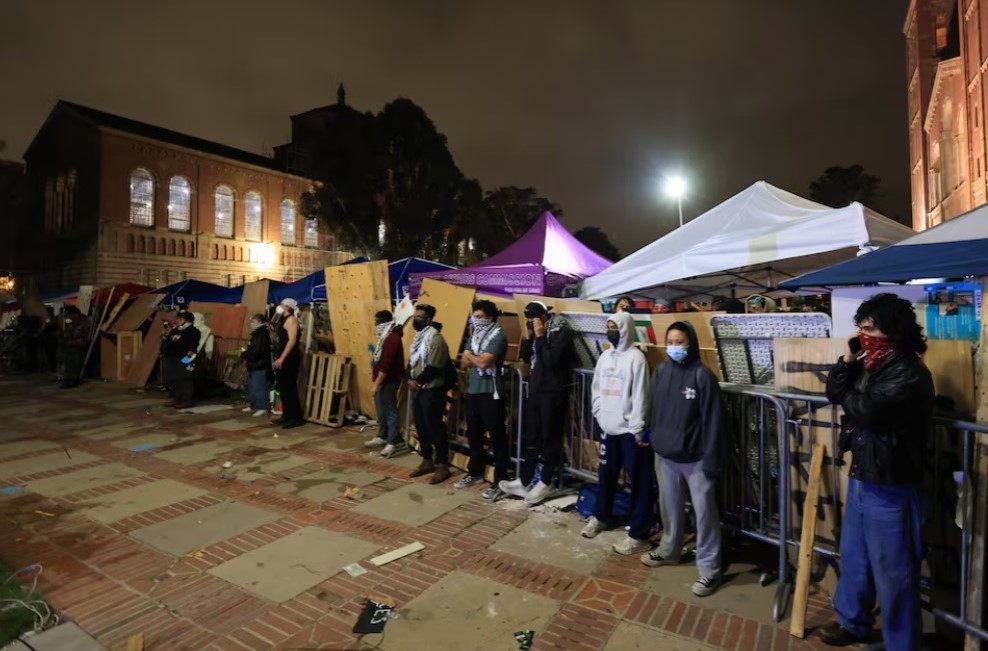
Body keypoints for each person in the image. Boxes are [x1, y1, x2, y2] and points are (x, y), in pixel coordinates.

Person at [819, 293, 934, 650]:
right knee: (855, 557)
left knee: (894, 574)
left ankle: (901, 644)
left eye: (870, 328)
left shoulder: (908, 371)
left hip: (892, 483)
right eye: (861, 328)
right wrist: (848, 362)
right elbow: (833, 392)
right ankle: (852, 621)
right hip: (864, 475)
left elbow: (866, 411)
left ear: (893, 331)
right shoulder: (872, 365)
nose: (863, 335)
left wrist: (847, 393)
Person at [641, 321, 726, 598]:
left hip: (696, 459)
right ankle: (669, 550)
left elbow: (714, 421)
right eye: (672, 342)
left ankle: (710, 569)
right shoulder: (662, 372)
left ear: (690, 343)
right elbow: (653, 407)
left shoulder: (703, 376)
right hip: (665, 455)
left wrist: (713, 459)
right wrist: (649, 433)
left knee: (704, 515)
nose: (675, 347)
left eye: (681, 342)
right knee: (670, 508)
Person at [581, 311, 654, 555]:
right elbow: (597, 388)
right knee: (606, 475)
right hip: (608, 428)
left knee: (639, 481)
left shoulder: (637, 359)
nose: (610, 330)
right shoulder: (604, 356)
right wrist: (599, 414)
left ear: (625, 328)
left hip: (630, 432)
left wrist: (637, 427)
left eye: (614, 326)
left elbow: (641, 395)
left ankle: (638, 532)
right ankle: (601, 516)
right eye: (609, 325)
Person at [499, 301, 575, 505]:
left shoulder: (561, 332)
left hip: (553, 392)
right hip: (536, 390)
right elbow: (526, 358)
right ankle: (524, 481)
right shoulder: (537, 333)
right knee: (531, 437)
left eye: (533, 318)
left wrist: (540, 337)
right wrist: (530, 338)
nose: (532, 323)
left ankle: (546, 481)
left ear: (543, 317)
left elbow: (551, 361)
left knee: (550, 437)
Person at [455, 300, 510, 500]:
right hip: (473, 391)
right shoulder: (474, 337)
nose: (475, 321)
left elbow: (485, 363)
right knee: (474, 433)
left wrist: (472, 356)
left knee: (497, 436)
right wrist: (472, 357)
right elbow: (463, 363)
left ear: (490, 317)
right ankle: (474, 471)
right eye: (474, 317)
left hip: (491, 392)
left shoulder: (498, 336)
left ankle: (500, 480)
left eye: (479, 317)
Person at [407, 304, 452, 484]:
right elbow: (411, 362)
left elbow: (434, 366)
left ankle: (442, 465)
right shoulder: (418, 338)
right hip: (419, 390)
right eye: (414, 316)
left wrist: (416, 381)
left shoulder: (436, 339)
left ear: (428, 319)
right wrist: (409, 378)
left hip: (432, 390)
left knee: (435, 427)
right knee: (421, 426)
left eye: (419, 317)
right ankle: (427, 460)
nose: (415, 320)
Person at [365, 310, 406, 458]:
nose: (375, 324)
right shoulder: (384, 336)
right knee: (381, 409)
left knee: (389, 409)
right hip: (382, 379)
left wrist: (377, 383)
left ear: (383, 321)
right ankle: (382, 435)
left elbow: (386, 365)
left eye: (377, 320)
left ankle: (392, 440)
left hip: (389, 380)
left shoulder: (392, 338)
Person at [272, 298, 304, 429]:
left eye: (282, 305)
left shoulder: (291, 320)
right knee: (283, 387)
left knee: (289, 387)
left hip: (289, 358)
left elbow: (292, 340)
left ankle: (295, 417)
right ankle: (287, 415)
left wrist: (282, 358)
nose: (279, 306)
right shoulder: (283, 319)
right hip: (283, 357)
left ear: (288, 307)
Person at [161, 311, 199, 407]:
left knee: (185, 378)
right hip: (172, 357)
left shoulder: (193, 331)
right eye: (178, 319)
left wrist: (186, 361)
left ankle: (186, 400)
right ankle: (175, 398)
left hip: (185, 357)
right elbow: (169, 342)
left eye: (180, 319)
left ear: (187, 321)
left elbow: (193, 348)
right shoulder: (175, 330)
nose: (178, 321)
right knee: (173, 379)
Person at [241, 313, 272, 417]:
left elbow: (257, 351)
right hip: (254, 364)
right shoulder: (258, 333)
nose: (251, 323)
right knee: (252, 386)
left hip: (259, 364)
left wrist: (245, 354)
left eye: (253, 321)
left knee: (259, 386)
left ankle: (262, 407)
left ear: (259, 321)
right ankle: (253, 405)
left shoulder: (261, 333)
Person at [60, 306, 89, 388]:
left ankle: (72, 379)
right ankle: (74, 378)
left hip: (77, 343)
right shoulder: (77, 320)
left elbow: (78, 333)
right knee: (72, 362)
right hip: (74, 343)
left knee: (73, 362)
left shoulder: (80, 321)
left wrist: (69, 332)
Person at [40, 307, 59, 374]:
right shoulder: (56, 318)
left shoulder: (48, 319)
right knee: (53, 354)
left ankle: (52, 368)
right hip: (54, 339)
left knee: (50, 355)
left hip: (49, 339)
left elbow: (44, 329)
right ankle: (53, 367)